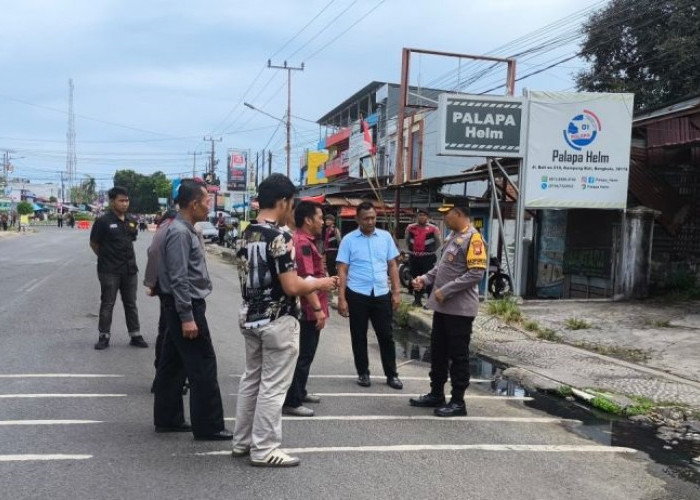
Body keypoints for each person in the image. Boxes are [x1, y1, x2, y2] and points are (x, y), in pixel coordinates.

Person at [232, 174, 336, 468]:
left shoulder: (245, 232)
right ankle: (265, 449)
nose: (292, 209)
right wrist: (319, 283)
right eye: (291, 203)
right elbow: (291, 286)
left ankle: (242, 441)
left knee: (251, 379)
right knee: (273, 387)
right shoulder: (280, 237)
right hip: (277, 319)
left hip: (250, 315)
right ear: (282, 202)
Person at [152, 178, 232, 441]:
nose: (210, 207)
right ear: (194, 203)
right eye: (207, 201)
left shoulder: (179, 228)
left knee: (173, 365)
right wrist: (187, 317)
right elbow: (178, 277)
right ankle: (209, 427)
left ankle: (168, 419)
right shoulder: (179, 232)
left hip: (179, 304)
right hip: (186, 307)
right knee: (203, 366)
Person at [409, 200, 487, 417]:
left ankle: (458, 402)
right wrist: (424, 279)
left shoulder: (474, 239)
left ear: (459, 213)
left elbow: (475, 274)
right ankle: (436, 393)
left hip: (460, 310)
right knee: (438, 352)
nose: (444, 217)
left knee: (458, 356)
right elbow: (440, 268)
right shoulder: (452, 238)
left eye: (447, 213)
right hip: (443, 308)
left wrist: (446, 290)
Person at [336, 201, 403, 390]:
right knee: (359, 335)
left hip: (381, 293)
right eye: (366, 218)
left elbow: (392, 265)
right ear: (357, 219)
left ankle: (392, 375)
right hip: (357, 293)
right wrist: (341, 298)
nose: (370, 222)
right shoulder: (348, 240)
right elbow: (342, 270)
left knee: (386, 335)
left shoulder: (385, 237)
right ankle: (363, 373)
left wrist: (396, 292)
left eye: (373, 218)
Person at [282, 201, 330, 417]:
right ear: (308, 220)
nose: (323, 222)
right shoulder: (302, 243)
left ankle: (300, 391)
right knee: (303, 355)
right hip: (309, 310)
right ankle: (292, 400)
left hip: (313, 307)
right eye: (319, 217)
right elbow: (306, 280)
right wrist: (318, 310)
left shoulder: (308, 241)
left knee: (307, 354)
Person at [89, 186, 147, 350]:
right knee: (108, 303)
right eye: (121, 200)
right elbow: (94, 243)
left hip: (129, 269)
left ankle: (135, 335)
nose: (125, 204)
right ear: (112, 201)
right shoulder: (103, 221)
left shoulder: (131, 220)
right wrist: (106, 257)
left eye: (126, 200)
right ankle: (104, 336)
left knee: (131, 303)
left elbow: (131, 240)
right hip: (109, 270)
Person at [143, 206, 178, 382]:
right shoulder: (175, 225)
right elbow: (153, 252)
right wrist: (151, 282)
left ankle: (163, 374)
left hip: (168, 288)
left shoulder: (166, 226)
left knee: (165, 330)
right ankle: (165, 375)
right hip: (176, 290)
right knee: (170, 332)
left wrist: (152, 283)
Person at [404, 209, 441, 307]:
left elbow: (438, 243)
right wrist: (412, 251)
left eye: (424, 215)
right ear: (417, 216)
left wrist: (430, 251)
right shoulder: (410, 228)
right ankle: (417, 300)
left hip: (428, 258)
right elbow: (407, 240)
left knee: (429, 278)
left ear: (428, 217)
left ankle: (430, 302)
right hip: (414, 257)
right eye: (420, 215)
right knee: (415, 278)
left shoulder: (434, 228)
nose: (422, 217)